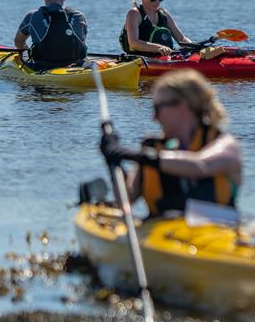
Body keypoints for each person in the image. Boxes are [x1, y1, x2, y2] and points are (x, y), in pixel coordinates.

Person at [101, 71, 243, 219]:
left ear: (182, 106)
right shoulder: (153, 149)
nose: (154, 117)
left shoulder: (226, 145)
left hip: (217, 235)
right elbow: (125, 200)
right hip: (163, 236)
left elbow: (200, 165)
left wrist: (134, 155)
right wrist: (113, 160)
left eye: (157, 109)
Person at [14, 0, 88, 69]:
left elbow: (18, 42)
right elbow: (81, 43)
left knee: (23, 52)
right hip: (76, 65)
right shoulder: (79, 16)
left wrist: (25, 52)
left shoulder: (32, 16)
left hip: (43, 66)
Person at [120, 0, 194, 57]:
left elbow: (181, 39)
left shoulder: (164, 14)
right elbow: (134, 43)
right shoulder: (134, 14)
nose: (158, 2)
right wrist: (159, 48)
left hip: (164, 59)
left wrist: (195, 47)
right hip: (140, 60)